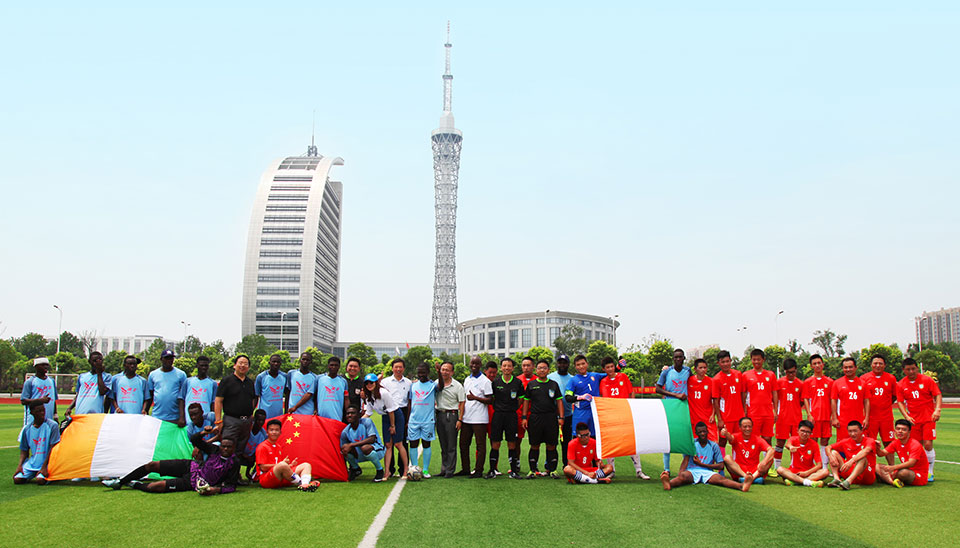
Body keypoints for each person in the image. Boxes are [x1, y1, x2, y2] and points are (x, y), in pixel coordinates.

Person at [103, 433, 239, 494]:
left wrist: (215, 490)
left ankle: (134, 484)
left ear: (234, 448)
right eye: (224, 446)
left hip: (192, 483)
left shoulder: (234, 462)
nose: (225, 449)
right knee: (152, 465)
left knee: (154, 487)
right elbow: (195, 440)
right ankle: (119, 482)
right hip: (190, 466)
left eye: (229, 447)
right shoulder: (214, 450)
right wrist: (204, 432)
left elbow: (231, 486)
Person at [599, 356, 648, 479]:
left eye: (612, 366)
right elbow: (603, 399)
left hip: (625, 415)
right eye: (607, 367)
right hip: (611, 417)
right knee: (611, 443)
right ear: (604, 369)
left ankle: (639, 470)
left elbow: (631, 392)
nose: (610, 369)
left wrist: (633, 407)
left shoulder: (623, 377)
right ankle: (611, 470)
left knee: (631, 443)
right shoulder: (603, 382)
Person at [660, 422, 745, 491]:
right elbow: (686, 460)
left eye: (704, 431)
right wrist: (680, 474)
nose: (703, 434)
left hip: (708, 472)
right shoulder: (692, 444)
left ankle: (741, 486)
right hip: (692, 471)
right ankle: (668, 484)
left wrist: (701, 464)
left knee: (720, 479)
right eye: (700, 432)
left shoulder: (713, 446)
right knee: (683, 477)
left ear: (707, 431)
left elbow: (721, 466)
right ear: (696, 433)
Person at [896, 358, 941, 482]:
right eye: (908, 369)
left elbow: (937, 394)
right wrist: (906, 416)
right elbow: (900, 402)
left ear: (917, 368)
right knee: (916, 446)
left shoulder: (927, 380)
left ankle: (930, 472)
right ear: (904, 370)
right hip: (913, 420)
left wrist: (937, 410)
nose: (911, 372)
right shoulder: (901, 384)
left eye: (913, 369)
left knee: (928, 444)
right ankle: (919, 469)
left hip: (928, 418)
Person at [214, 354, 257, 476]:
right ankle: (223, 476)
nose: (242, 366)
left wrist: (250, 415)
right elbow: (218, 401)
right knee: (227, 448)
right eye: (240, 363)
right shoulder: (227, 381)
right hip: (231, 420)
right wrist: (218, 420)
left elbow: (253, 399)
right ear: (234, 365)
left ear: (248, 367)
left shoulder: (249, 383)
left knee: (239, 450)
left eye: (245, 364)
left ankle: (235, 476)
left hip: (246, 422)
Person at [521, 359, 564, 478]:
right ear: (536, 370)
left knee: (551, 445)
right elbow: (526, 401)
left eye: (544, 368)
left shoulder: (553, 384)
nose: (542, 370)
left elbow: (559, 401)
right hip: (535, 418)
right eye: (540, 368)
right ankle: (533, 470)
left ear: (548, 370)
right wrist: (524, 417)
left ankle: (552, 470)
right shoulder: (531, 385)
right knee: (534, 445)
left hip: (550, 417)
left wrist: (561, 417)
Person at [362, 373, 407, 480]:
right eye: (367, 383)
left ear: (376, 383)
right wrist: (358, 422)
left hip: (395, 416)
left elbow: (391, 410)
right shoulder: (369, 396)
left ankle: (405, 470)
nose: (369, 385)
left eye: (371, 382)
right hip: (385, 417)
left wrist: (393, 426)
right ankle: (387, 472)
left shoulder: (383, 393)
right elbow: (368, 413)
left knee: (398, 444)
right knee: (387, 445)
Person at [487, 357, 524, 479]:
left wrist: (513, 407)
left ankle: (513, 471)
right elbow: (492, 398)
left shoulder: (517, 382)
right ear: (501, 368)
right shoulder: (496, 382)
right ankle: (492, 470)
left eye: (509, 366)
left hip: (511, 415)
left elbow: (521, 398)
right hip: (498, 415)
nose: (506, 368)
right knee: (495, 443)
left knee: (512, 443)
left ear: (512, 368)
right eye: (504, 366)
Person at [256, 418, 318, 491]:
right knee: (282, 465)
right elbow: (263, 468)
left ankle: (305, 484)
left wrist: (289, 466)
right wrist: (282, 465)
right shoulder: (262, 446)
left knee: (306, 465)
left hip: (279, 477)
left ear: (280, 432)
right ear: (267, 432)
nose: (274, 432)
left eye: (276, 430)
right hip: (266, 479)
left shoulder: (278, 446)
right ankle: (301, 482)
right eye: (271, 430)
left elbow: (280, 467)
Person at [656, 348, 691, 474]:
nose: (678, 359)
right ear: (673, 359)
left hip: (683, 408)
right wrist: (675, 395)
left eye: (680, 357)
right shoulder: (667, 372)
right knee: (668, 437)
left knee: (684, 437)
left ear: (684, 358)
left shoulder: (688, 371)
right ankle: (666, 469)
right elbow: (658, 388)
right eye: (676, 357)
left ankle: (686, 468)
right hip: (669, 407)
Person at [860, 354, 897, 464]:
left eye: (880, 363)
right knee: (869, 443)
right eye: (875, 363)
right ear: (871, 365)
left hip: (886, 417)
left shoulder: (891, 378)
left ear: (884, 365)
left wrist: (885, 404)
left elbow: (894, 396)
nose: (878, 365)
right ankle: (870, 467)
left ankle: (892, 468)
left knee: (889, 442)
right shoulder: (864, 378)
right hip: (870, 417)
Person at [460, 357, 492, 478]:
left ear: (480, 365)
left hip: (479, 418)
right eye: (472, 363)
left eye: (477, 363)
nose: (474, 365)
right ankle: (466, 469)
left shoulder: (485, 381)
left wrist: (476, 398)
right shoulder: (467, 379)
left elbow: (490, 400)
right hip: (466, 417)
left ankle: (478, 470)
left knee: (480, 445)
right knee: (463, 444)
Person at [14, 401, 60, 485]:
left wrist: (44, 467)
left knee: (40, 480)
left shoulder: (52, 426)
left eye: (43, 410)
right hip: (33, 463)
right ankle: (33, 473)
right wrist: (20, 466)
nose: (42, 413)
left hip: (48, 463)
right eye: (39, 411)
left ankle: (52, 474)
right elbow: (24, 450)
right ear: (32, 412)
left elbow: (53, 448)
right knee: (17, 479)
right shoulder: (27, 429)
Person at [381, 358, 412, 478]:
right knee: (388, 442)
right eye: (396, 367)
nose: (398, 369)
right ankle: (390, 469)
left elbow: (409, 401)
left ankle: (403, 469)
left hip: (402, 412)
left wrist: (408, 418)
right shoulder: (385, 382)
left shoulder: (408, 383)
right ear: (392, 368)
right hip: (388, 412)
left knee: (402, 441)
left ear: (404, 368)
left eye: (400, 367)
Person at [773, 358, 806, 471]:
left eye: (793, 372)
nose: (791, 374)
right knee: (780, 442)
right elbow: (774, 399)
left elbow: (802, 401)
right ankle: (776, 468)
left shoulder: (801, 384)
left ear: (796, 370)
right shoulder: (779, 383)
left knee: (796, 443)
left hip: (796, 418)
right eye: (788, 372)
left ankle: (795, 466)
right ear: (785, 371)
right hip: (782, 418)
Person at [721, 417, 773, 487]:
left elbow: (771, 450)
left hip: (755, 470)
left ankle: (750, 478)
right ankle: (747, 477)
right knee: (727, 458)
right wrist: (726, 433)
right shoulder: (736, 437)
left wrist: (764, 461)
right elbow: (730, 438)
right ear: (740, 427)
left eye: (749, 426)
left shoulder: (757, 439)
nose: (747, 429)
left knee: (770, 460)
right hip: (739, 470)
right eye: (745, 427)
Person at [876, 419, 930, 487]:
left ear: (909, 432)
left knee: (903, 473)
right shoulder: (896, 442)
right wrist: (877, 447)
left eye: (904, 430)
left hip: (918, 474)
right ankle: (892, 481)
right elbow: (881, 454)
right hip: (902, 470)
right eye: (898, 429)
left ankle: (887, 478)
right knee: (877, 467)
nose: (900, 431)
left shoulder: (915, 444)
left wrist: (893, 467)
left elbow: (911, 463)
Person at [434, 361, 465, 478]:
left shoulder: (457, 386)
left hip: (451, 415)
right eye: (443, 369)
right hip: (439, 415)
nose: (444, 372)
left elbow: (462, 403)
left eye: (447, 370)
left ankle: (450, 470)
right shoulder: (436, 383)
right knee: (443, 445)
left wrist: (460, 419)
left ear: (452, 372)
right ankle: (444, 469)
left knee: (451, 445)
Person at [774, 420, 828, 487]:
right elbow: (788, 444)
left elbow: (819, 465)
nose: (805, 434)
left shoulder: (814, 444)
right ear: (798, 431)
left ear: (811, 433)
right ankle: (808, 482)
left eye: (808, 432)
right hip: (794, 472)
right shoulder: (793, 439)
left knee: (825, 471)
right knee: (779, 469)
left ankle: (796, 481)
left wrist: (806, 473)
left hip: (809, 472)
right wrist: (791, 447)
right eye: (803, 431)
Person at [740, 349, 777, 446]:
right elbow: (743, 394)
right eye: (754, 359)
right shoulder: (746, 375)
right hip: (753, 413)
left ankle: (767, 456)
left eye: (758, 359)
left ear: (763, 360)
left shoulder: (771, 375)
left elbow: (774, 393)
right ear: (751, 360)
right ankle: (753, 457)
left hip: (768, 412)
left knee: (767, 438)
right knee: (753, 439)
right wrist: (744, 410)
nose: (756, 362)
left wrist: (775, 410)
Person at [712, 350, 744, 459]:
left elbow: (743, 394)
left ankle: (737, 463)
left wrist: (744, 412)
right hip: (726, 417)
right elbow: (716, 401)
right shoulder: (716, 379)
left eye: (727, 361)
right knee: (722, 441)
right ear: (718, 363)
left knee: (738, 441)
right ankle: (720, 463)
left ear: (731, 361)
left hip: (739, 416)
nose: (726, 364)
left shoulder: (738, 374)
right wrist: (720, 419)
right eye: (723, 362)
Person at [802, 354, 833, 468]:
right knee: (813, 442)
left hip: (826, 416)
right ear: (811, 366)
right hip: (814, 417)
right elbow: (806, 398)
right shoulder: (808, 382)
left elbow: (833, 399)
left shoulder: (830, 382)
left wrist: (833, 415)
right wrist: (809, 414)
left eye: (819, 363)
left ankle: (824, 467)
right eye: (814, 364)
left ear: (823, 364)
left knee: (825, 441)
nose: (817, 365)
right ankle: (813, 466)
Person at [340, 405, 386, 482]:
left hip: (377, 451)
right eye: (348, 414)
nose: (349, 415)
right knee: (344, 448)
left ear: (359, 414)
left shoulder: (366, 422)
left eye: (353, 413)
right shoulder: (345, 431)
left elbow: (372, 439)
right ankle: (355, 469)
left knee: (365, 448)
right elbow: (343, 448)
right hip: (359, 454)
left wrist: (352, 445)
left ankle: (379, 470)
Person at [826, 420, 876, 490]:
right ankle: (836, 479)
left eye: (855, 431)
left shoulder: (870, 440)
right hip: (850, 472)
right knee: (833, 453)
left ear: (861, 431)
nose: (852, 434)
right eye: (850, 431)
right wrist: (830, 457)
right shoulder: (846, 441)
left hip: (866, 476)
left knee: (862, 458)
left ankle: (848, 482)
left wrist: (851, 461)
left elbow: (866, 451)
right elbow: (828, 447)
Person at [407, 362, 437, 478]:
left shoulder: (433, 385)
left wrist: (439, 372)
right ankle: (414, 467)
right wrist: (408, 419)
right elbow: (410, 403)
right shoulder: (413, 386)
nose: (421, 375)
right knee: (413, 444)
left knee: (426, 444)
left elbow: (441, 386)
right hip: (414, 420)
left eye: (423, 372)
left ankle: (425, 470)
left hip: (428, 420)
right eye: (419, 373)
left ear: (428, 372)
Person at [565, 355, 605, 438]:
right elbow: (567, 397)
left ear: (587, 364)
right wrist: (581, 397)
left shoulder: (595, 375)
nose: (581, 366)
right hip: (580, 414)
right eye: (578, 365)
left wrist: (619, 366)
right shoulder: (573, 380)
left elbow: (610, 373)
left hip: (595, 413)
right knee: (579, 438)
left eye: (583, 363)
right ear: (575, 367)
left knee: (594, 438)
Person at [145, 349, 187, 427]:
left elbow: (183, 397)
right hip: (157, 416)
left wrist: (182, 417)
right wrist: (146, 411)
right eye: (166, 358)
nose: (169, 360)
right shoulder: (153, 374)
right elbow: (150, 395)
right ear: (161, 359)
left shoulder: (181, 374)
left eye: (171, 358)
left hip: (175, 417)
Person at [831, 357, 868, 442]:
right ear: (842, 368)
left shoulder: (863, 383)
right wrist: (834, 418)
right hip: (842, 420)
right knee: (843, 443)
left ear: (855, 367)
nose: (848, 369)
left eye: (850, 367)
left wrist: (866, 418)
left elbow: (866, 401)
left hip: (859, 419)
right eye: (845, 367)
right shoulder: (837, 383)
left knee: (860, 442)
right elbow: (833, 401)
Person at [65, 351, 112, 417]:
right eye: (95, 361)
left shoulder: (107, 376)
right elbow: (78, 395)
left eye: (100, 360)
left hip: (96, 414)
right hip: (80, 412)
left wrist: (99, 373)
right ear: (89, 362)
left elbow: (102, 392)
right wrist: (70, 408)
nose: (98, 363)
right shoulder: (82, 376)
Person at [548, 354, 574, 466]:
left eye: (564, 363)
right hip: (552, 415)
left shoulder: (572, 378)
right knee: (551, 442)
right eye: (560, 362)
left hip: (568, 415)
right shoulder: (550, 377)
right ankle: (550, 466)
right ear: (557, 364)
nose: (562, 365)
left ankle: (566, 465)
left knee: (566, 442)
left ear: (568, 364)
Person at [687, 358, 717, 442]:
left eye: (705, 367)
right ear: (695, 369)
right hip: (693, 417)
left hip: (707, 417)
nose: (703, 370)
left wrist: (713, 414)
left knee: (714, 441)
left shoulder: (711, 381)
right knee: (694, 442)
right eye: (700, 368)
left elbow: (715, 400)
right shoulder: (689, 381)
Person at [21, 357, 57, 426]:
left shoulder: (52, 381)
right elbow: (23, 401)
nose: (45, 367)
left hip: (49, 419)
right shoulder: (30, 382)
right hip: (33, 419)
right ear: (36, 367)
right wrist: (41, 400)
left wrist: (55, 415)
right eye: (43, 365)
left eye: (47, 365)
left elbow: (53, 399)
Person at [254, 354, 287, 419]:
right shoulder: (261, 377)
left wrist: (286, 412)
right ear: (269, 363)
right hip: (264, 415)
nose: (276, 364)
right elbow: (256, 396)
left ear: (280, 364)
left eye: (278, 362)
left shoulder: (284, 377)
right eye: (273, 362)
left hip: (279, 415)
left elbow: (287, 394)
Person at [316, 356, 348, 421]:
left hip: (337, 417)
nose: (333, 367)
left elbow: (346, 399)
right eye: (331, 365)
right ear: (328, 366)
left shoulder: (343, 381)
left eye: (336, 365)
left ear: (339, 367)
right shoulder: (319, 378)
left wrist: (348, 412)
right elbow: (314, 396)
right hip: (321, 417)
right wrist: (315, 409)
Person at [241, 409, 268, 479]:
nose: (260, 422)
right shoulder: (247, 429)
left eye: (262, 420)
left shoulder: (263, 434)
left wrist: (252, 457)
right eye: (259, 420)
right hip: (241, 453)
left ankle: (253, 474)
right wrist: (244, 455)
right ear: (254, 419)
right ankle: (236, 475)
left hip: (252, 456)